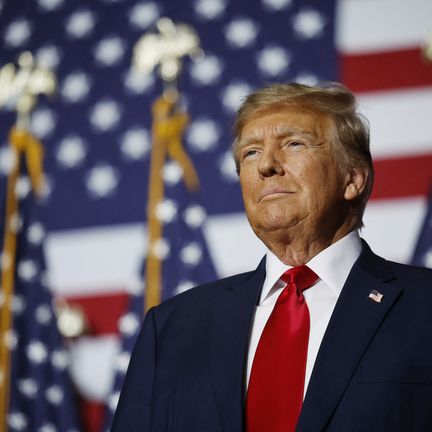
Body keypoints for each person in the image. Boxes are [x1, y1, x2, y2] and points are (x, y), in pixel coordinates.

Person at [111, 82, 432, 432]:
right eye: (250, 152)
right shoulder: (173, 328)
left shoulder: (423, 305)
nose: (266, 165)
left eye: (293, 144)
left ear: (352, 178)